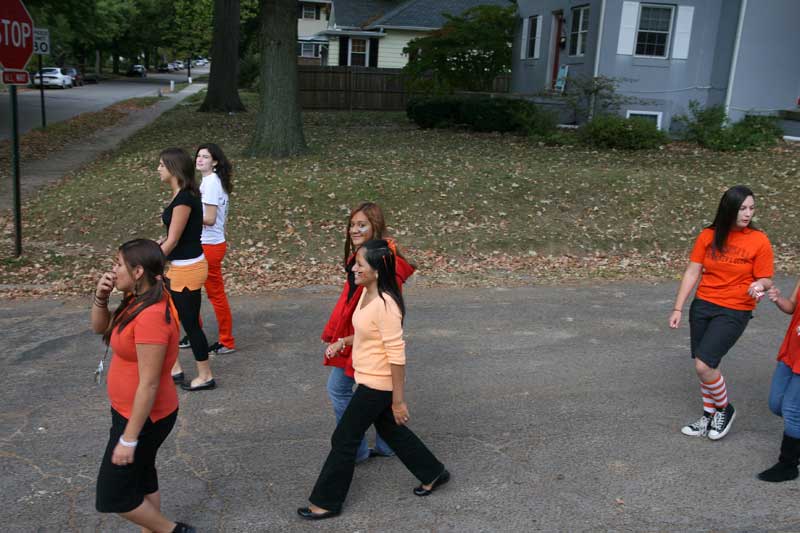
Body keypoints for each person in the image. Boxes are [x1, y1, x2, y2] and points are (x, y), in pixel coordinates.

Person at [298, 240, 448, 520]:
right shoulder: (367, 293)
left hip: (378, 383)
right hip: (368, 377)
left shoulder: (386, 305)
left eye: (360, 264)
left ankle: (327, 502)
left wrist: (398, 401)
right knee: (392, 432)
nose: (353, 267)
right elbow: (369, 333)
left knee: (344, 438)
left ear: (377, 270)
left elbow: (397, 356)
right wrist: (344, 341)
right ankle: (433, 472)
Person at [91, 238, 194, 533]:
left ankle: (173, 530)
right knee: (143, 478)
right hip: (130, 411)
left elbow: (149, 384)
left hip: (145, 417)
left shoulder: (151, 315)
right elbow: (101, 328)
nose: (113, 269)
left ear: (137, 272)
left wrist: (129, 438)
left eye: (118, 264)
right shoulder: (138, 299)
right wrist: (101, 298)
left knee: (114, 494)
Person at [669, 185, 773, 440]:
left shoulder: (759, 240)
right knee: (705, 366)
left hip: (735, 308)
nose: (747, 213)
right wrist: (678, 307)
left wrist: (759, 285)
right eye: (742, 208)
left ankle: (724, 409)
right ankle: (708, 416)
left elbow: (766, 279)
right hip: (703, 305)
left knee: (704, 365)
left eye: (751, 208)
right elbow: (693, 271)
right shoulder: (709, 235)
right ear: (729, 209)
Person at [321, 202, 415, 463]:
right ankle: (386, 445)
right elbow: (350, 301)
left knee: (341, 389)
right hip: (357, 336)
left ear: (376, 226)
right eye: (352, 224)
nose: (354, 229)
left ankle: (356, 449)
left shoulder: (384, 263)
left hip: (367, 339)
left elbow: (386, 309)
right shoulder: (364, 258)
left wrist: (353, 338)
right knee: (375, 393)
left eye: (361, 225)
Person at [158, 147, 215, 391]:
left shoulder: (184, 200)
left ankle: (206, 376)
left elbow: (173, 240)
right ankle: (175, 367)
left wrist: (150, 260)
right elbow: (171, 239)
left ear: (173, 169)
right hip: (180, 267)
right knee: (168, 318)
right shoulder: (182, 194)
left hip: (187, 270)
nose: (158, 169)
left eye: (161, 165)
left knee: (190, 324)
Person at [193, 142, 235, 355]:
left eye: (206, 157)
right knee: (189, 290)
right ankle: (194, 332)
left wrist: (185, 217)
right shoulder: (213, 181)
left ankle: (226, 341)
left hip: (209, 246)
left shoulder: (210, 183)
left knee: (214, 294)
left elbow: (209, 219)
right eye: (198, 156)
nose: (200, 159)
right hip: (210, 244)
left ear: (215, 162)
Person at [758, 279, 800, 482]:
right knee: (777, 404)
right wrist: (778, 300)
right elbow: (792, 307)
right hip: (793, 349)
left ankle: (788, 464)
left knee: (792, 410)